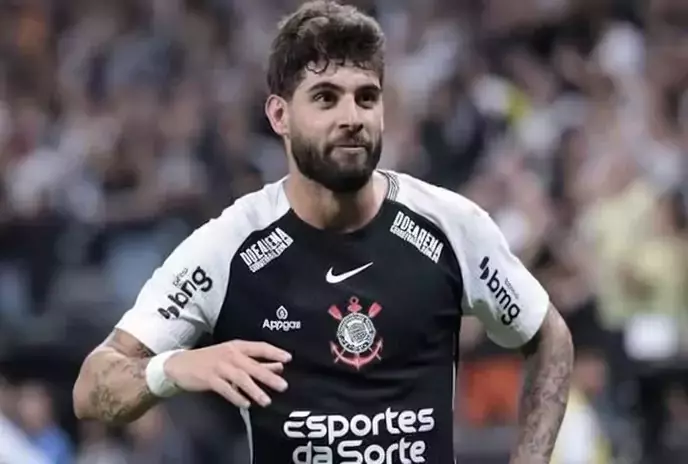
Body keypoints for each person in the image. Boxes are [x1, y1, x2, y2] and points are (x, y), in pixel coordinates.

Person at [73, 2, 574, 463]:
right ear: (280, 115)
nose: (351, 118)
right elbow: (92, 389)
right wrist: (175, 368)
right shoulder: (228, 247)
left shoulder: (450, 226)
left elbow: (548, 335)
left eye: (366, 97)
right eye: (326, 98)